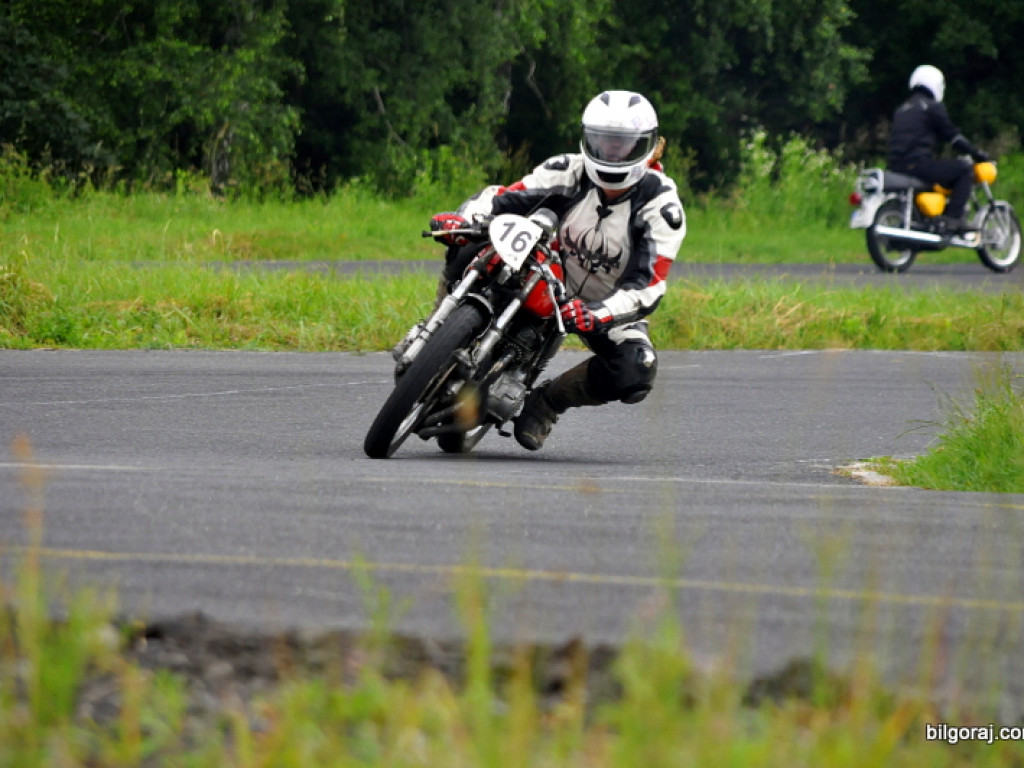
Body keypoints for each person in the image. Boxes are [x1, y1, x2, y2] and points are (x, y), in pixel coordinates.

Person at [411, 90, 686, 451]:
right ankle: (435, 332)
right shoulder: (569, 169)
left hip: (607, 305)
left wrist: (596, 314)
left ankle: (547, 403)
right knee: (472, 243)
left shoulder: (661, 205)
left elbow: (647, 284)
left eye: (623, 145)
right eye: (603, 142)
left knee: (637, 367)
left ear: (648, 147)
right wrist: (463, 221)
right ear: (588, 139)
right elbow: (504, 197)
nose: (612, 153)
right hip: (549, 271)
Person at [887, 64, 990, 234]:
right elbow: (953, 136)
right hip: (918, 165)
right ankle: (953, 220)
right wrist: (975, 152)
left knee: (940, 172)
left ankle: (932, 218)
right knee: (964, 169)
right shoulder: (931, 106)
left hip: (896, 166)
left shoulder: (902, 108)